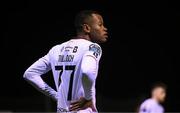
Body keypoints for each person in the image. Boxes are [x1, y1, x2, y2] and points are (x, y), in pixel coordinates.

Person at [23, 10, 108, 113]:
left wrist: (56, 95)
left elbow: (29, 74)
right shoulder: (93, 47)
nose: (104, 29)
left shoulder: (56, 49)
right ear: (87, 28)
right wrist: (88, 97)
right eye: (100, 25)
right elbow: (87, 71)